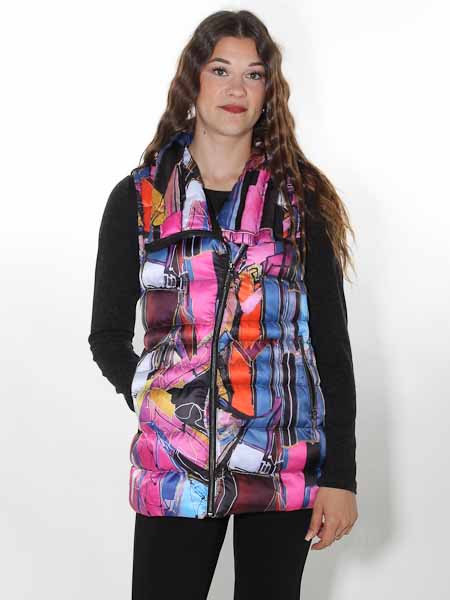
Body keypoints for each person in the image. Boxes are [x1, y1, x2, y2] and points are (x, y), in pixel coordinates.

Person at [88, 9, 358, 600]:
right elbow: (106, 333)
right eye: (220, 70)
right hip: (173, 467)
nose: (237, 88)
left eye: (254, 74)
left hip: (281, 461)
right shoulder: (140, 199)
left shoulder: (298, 202)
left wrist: (341, 477)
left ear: (269, 91)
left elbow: (331, 349)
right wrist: (155, 398)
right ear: (193, 80)